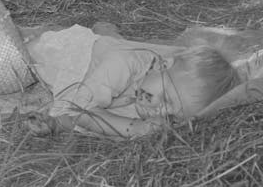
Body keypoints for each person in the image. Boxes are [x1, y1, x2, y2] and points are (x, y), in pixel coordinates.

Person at [23, 28, 240, 138]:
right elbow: (82, 109)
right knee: (20, 55)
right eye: (166, 97)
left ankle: (54, 123)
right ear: (162, 65)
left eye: (171, 114)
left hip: (85, 90)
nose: (159, 109)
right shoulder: (125, 64)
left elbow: (91, 119)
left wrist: (56, 123)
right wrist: (135, 128)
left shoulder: (148, 99)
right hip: (59, 55)